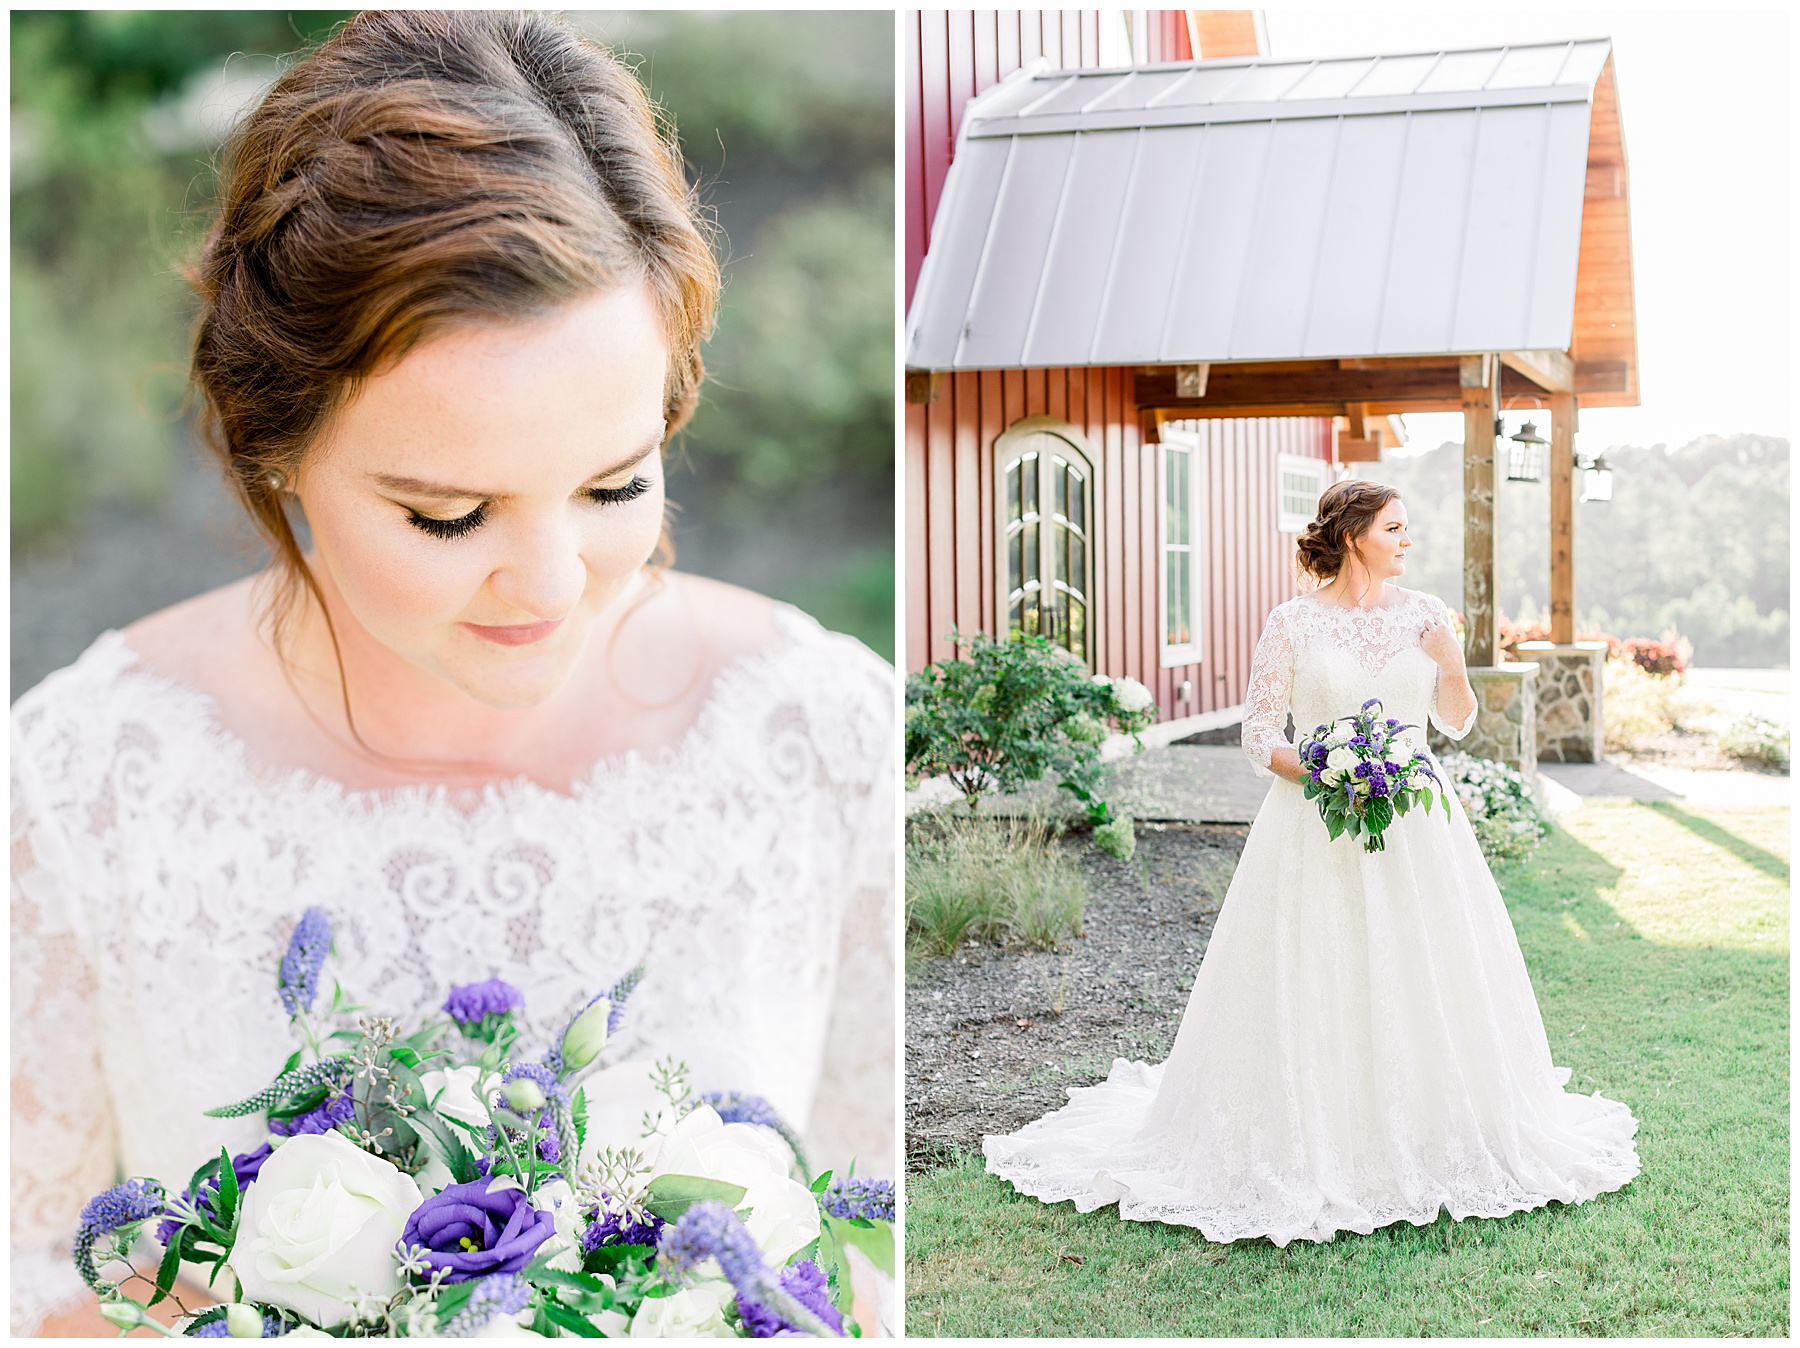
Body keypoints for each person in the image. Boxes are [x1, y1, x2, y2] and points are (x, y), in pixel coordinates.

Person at [10, 13, 892, 1334]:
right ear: (275, 444)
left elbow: (881, 1261)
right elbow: (29, 1276)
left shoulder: (823, 737)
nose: (548, 583)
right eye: (447, 515)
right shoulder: (83, 783)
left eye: (615, 485)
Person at [984, 479, 1638, 1246]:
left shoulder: (1427, 615)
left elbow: (1456, 721)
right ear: (1354, 535)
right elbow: (1260, 734)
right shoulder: (1292, 622)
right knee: (1317, 965)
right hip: (1313, 823)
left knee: (1419, 964)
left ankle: (1427, 1122)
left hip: (1415, 826)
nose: (1407, 540)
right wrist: (1331, 774)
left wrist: (1449, 662)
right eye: (1394, 528)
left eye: (1407, 528)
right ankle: (1313, 1125)